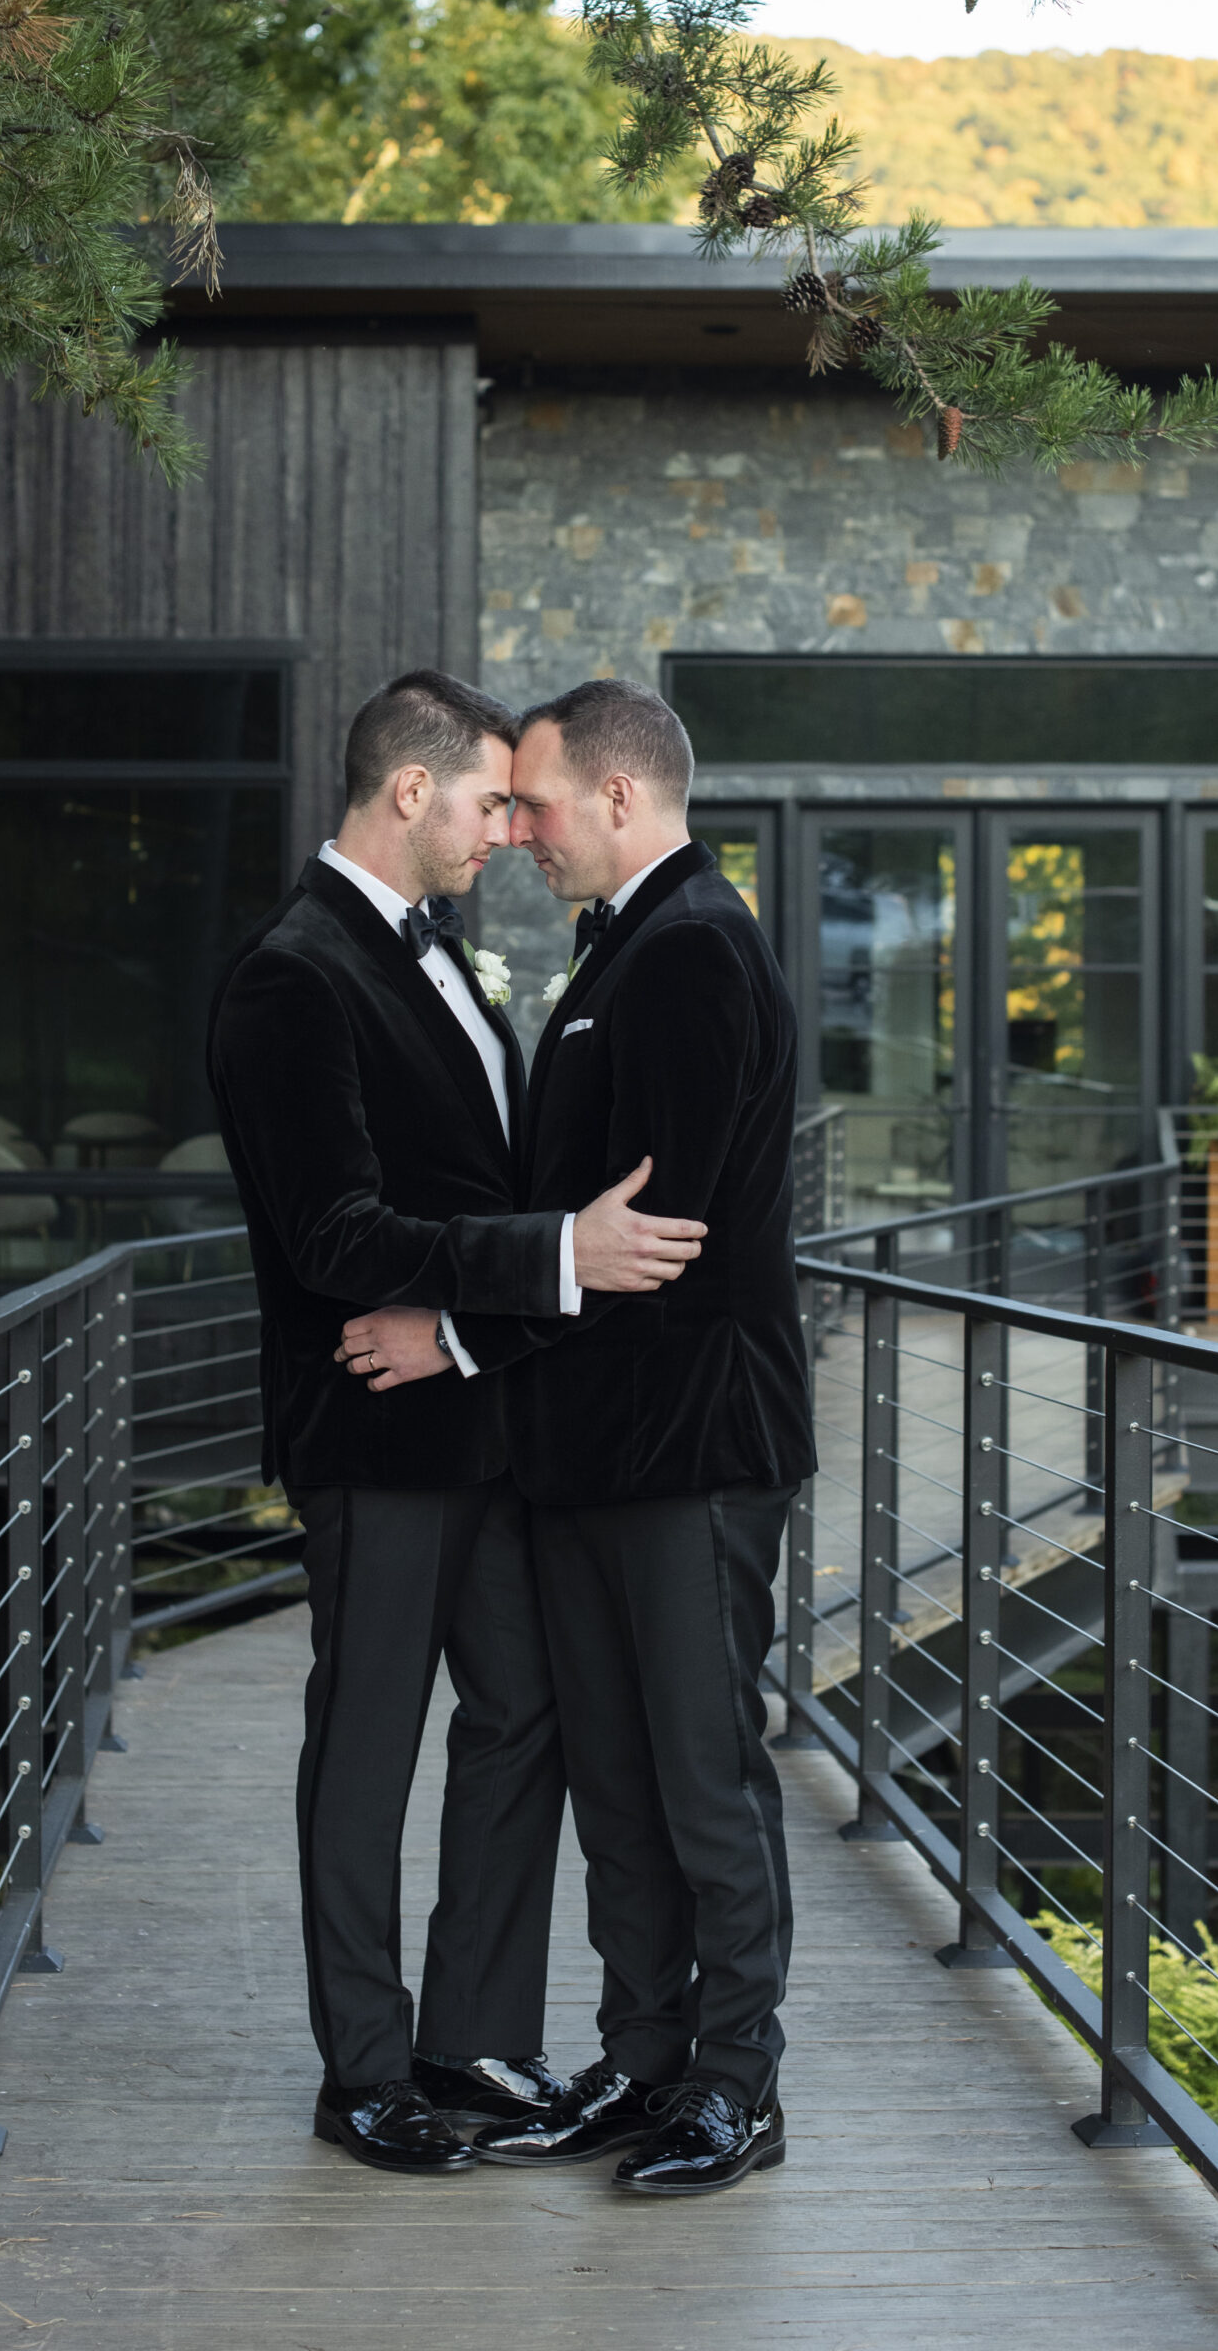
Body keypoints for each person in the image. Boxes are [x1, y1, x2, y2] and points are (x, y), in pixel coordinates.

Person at [206, 669, 707, 2177]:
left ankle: (468, 2034)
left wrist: (495, 1330)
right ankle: (361, 2070)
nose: (507, 829)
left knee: (526, 1711)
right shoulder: (292, 975)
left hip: (484, 1422)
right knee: (366, 1747)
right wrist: (558, 1259)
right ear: (409, 791)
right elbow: (334, 1238)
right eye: (489, 801)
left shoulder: (445, 961)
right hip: (371, 1431)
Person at [338, 677, 815, 2198]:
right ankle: (647, 2061)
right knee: (617, 1780)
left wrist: (455, 1333)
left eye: (538, 801)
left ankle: (737, 2088)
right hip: (596, 1457)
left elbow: (643, 1243)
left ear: (621, 796)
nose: (521, 829)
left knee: (702, 1777)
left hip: (691, 1451)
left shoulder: (695, 954)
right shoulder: (628, 951)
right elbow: (580, 1229)